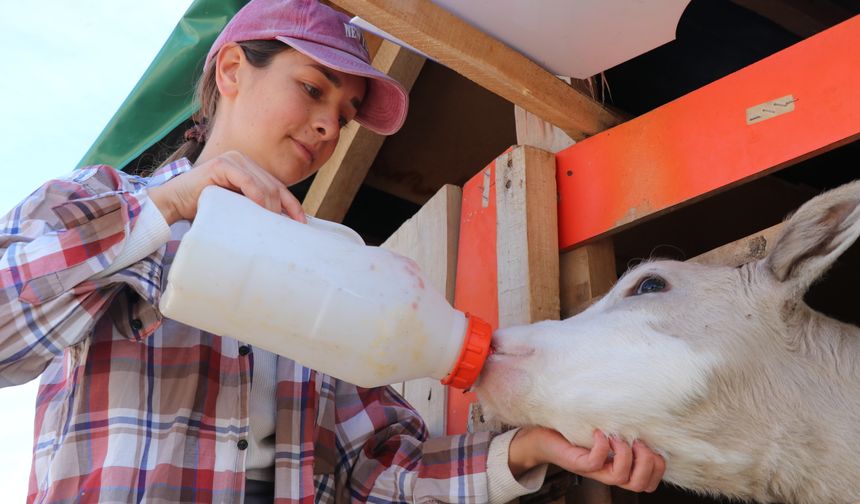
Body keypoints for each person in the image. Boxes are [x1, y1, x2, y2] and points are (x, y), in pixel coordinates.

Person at [0, 0, 666, 502]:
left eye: (344, 113)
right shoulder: (100, 199)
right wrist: (169, 209)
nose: (327, 125)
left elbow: (375, 473)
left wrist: (527, 449)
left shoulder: (337, 274)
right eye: (313, 88)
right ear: (232, 69)